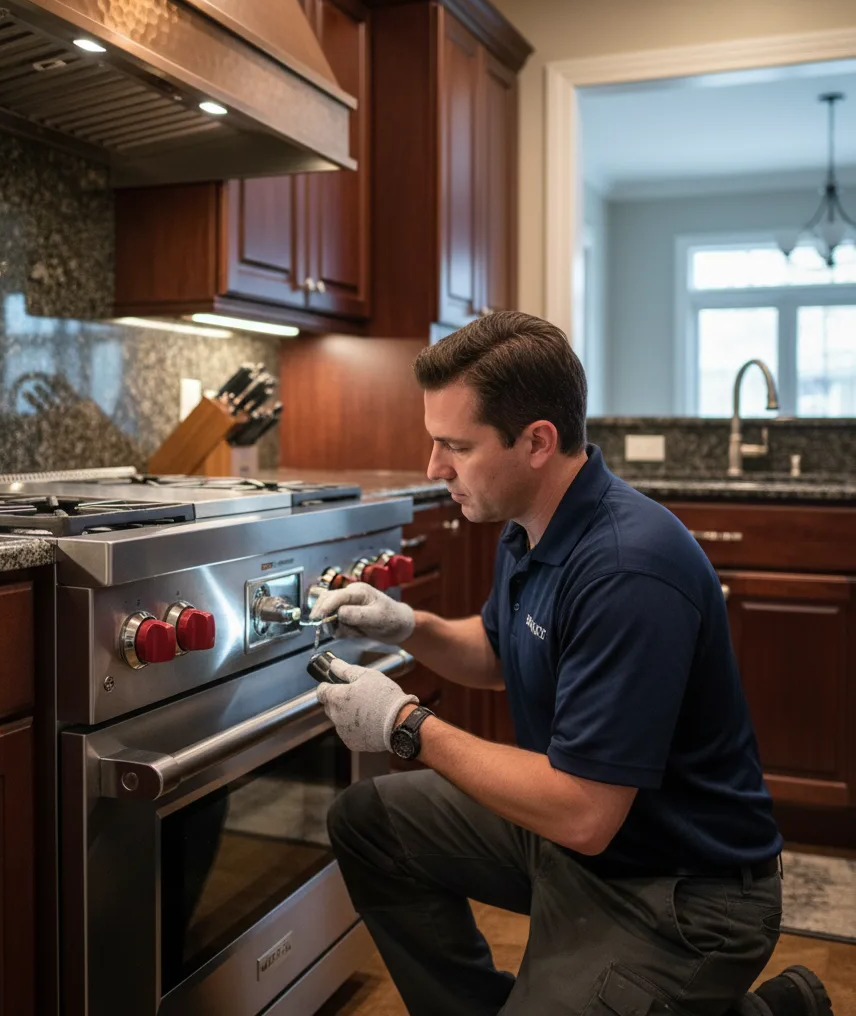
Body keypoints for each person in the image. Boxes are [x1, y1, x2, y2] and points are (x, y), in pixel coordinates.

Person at [308, 312, 832, 1016]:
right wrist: (412, 626)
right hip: (581, 839)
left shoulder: (627, 569)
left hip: (681, 891)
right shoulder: (531, 524)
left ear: (537, 442)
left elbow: (586, 812)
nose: (435, 469)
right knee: (368, 821)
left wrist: (405, 723)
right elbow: (499, 653)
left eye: (455, 446)